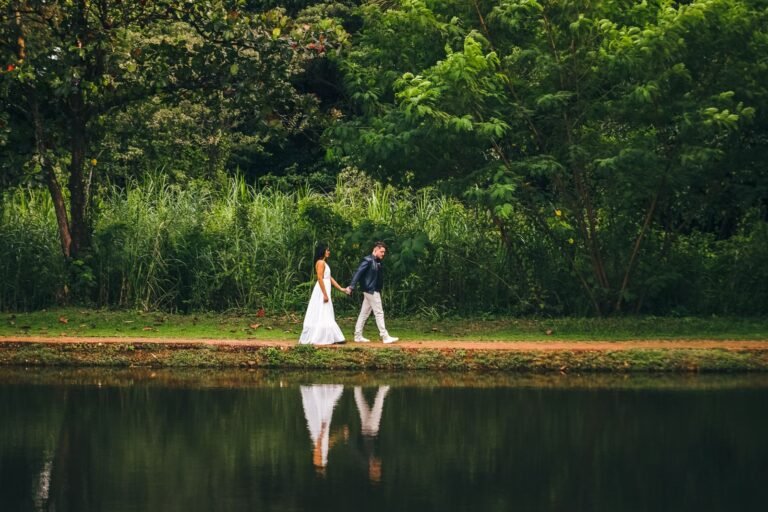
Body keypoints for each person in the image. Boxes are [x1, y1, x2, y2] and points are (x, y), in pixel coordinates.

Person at [345, 242, 399, 343]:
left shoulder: (376, 261)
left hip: (371, 290)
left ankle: (357, 336)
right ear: (375, 250)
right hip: (371, 290)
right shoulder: (368, 260)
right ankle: (385, 336)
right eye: (381, 251)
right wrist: (351, 286)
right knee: (379, 312)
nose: (383, 254)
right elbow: (358, 273)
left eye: (384, 252)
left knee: (364, 313)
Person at [299, 243, 349, 345]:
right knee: (323, 310)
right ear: (322, 251)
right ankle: (327, 337)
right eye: (327, 250)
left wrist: (340, 288)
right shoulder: (321, 262)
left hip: (325, 288)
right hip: (322, 289)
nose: (329, 252)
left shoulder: (324, 263)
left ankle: (332, 336)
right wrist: (325, 294)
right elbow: (320, 278)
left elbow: (329, 277)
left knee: (326, 311)